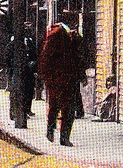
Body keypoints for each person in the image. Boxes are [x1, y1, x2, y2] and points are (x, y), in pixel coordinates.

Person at [38, 12, 81, 146]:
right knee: (55, 107)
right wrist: (48, 78)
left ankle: (64, 137)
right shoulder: (56, 33)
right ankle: (51, 131)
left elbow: (77, 57)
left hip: (70, 79)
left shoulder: (72, 35)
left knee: (69, 109)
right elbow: (46, 57)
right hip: (57, 80)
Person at [7, 21, 38, 121]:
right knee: (15, 92)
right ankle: (14, 112)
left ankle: (26, 110)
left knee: (28, 91)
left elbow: (34, 54)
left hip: (28, 72)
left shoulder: (29, 41)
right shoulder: (13, 43)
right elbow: (8, 57)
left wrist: (33, 64)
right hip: (16, 72)